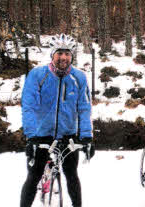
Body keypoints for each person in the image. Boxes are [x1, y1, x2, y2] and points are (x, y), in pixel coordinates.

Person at [20, 33, 94, 207]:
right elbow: (28, 107)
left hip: (68, 135)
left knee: (72, 175)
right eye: (59, 53)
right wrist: (31, 137)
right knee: (33, 176)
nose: (63, 57)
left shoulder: (79, 78)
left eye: (67, 53)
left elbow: (84, 108)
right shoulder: (38, 75)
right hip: (40, 135)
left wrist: (86, 137)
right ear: (52, 54)